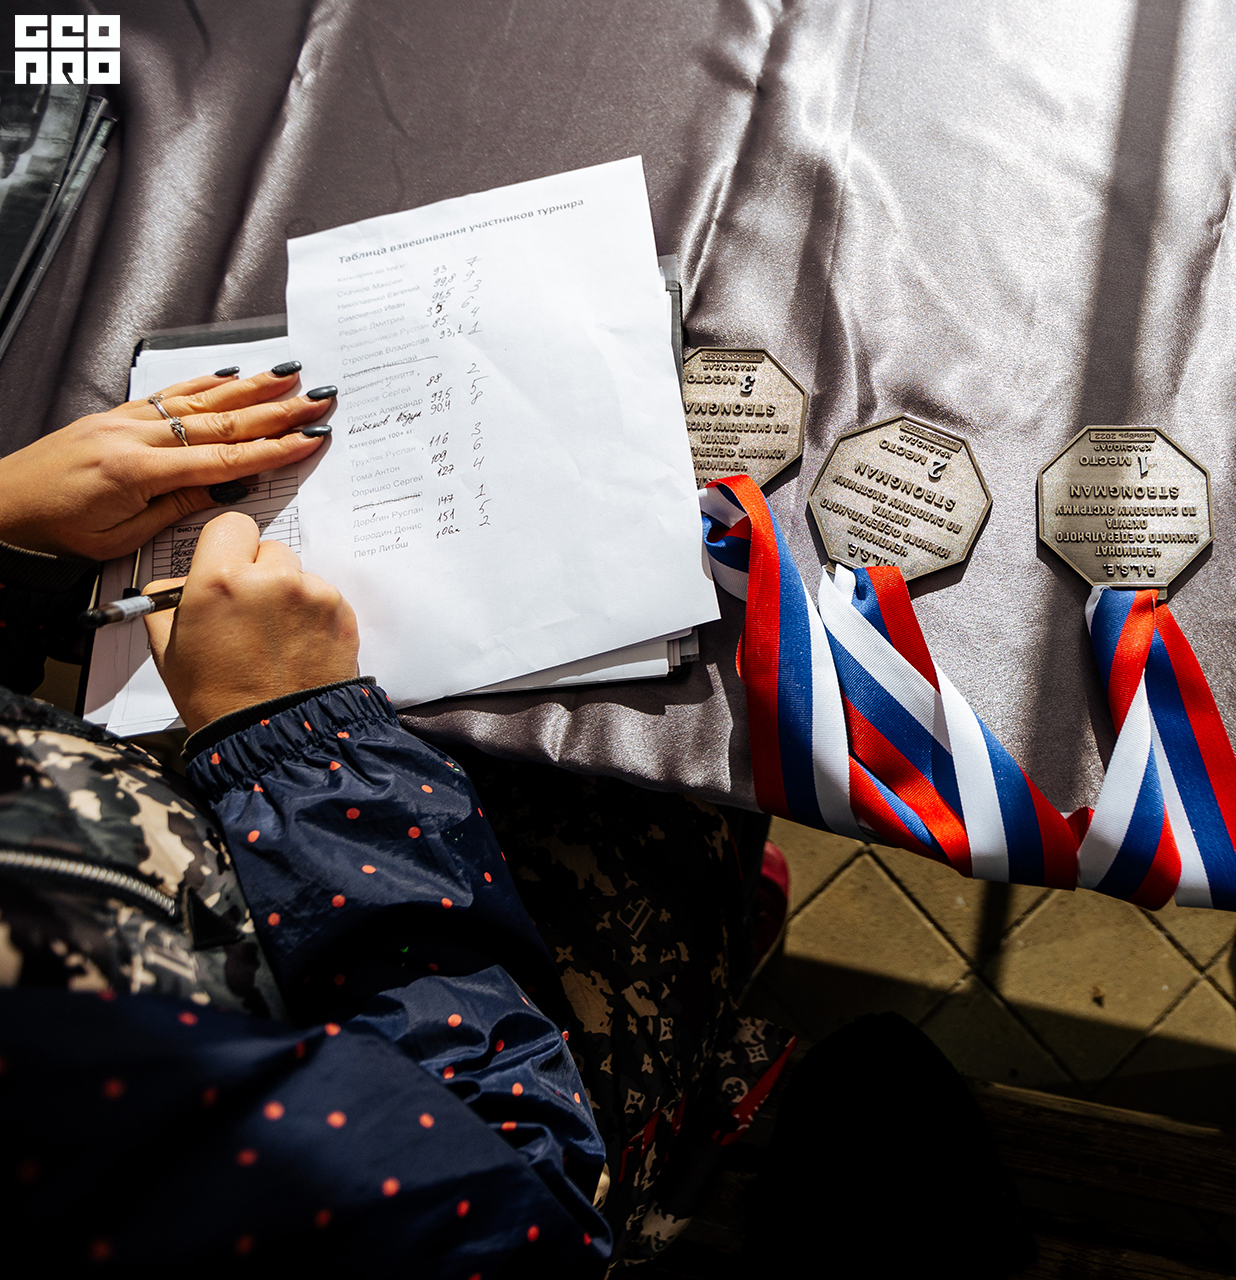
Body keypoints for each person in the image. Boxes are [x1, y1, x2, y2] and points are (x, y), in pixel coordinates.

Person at [0, 368, 791, 1272]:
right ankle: (715, 937)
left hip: (222, 816)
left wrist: (7, 536)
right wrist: (293, 744)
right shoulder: (72, 1093)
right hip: (454, 1028)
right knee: (662, 792)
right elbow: (515, 1196)